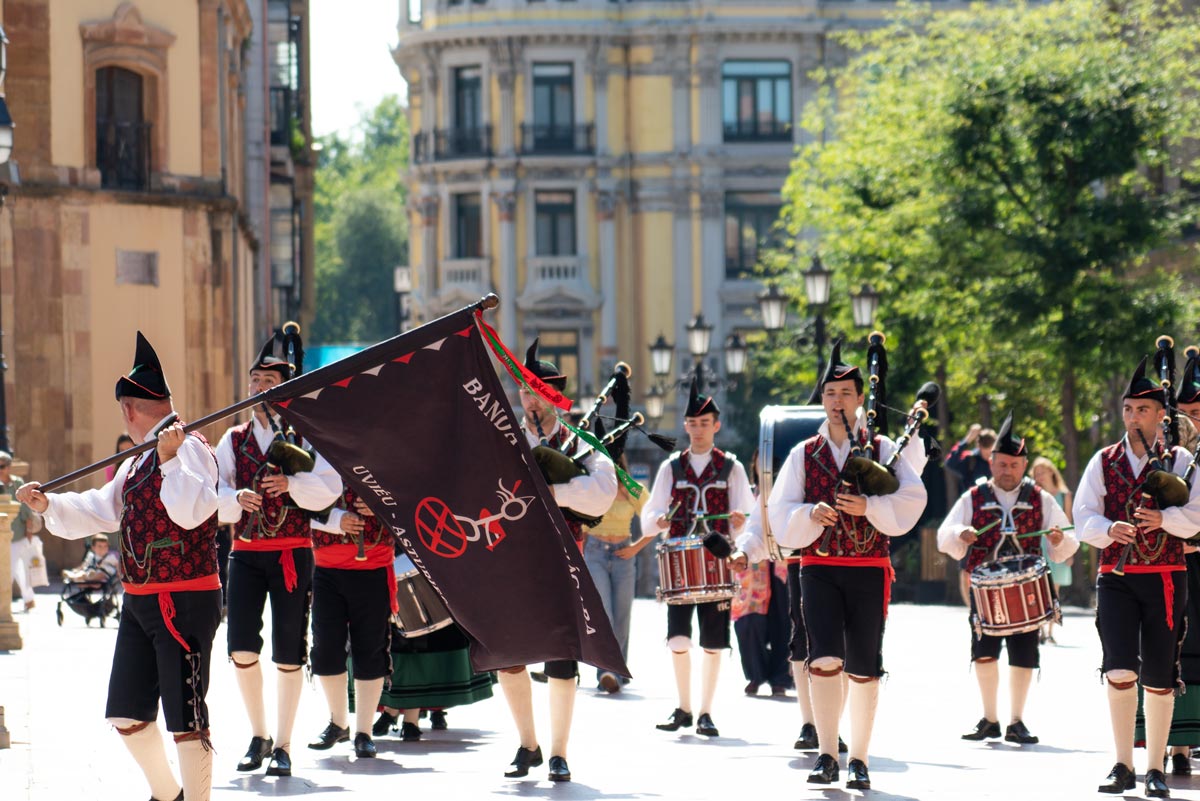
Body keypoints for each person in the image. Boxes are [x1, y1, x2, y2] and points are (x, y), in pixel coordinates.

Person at [17, 331, 222, 801]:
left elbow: (192, 510)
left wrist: (170, 459)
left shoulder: (189, 449)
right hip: (139, 602)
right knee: (127, 715)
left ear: (129, 410)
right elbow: (98, 509)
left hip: (183, 600)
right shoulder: (134, 464)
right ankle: (169, 795)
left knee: (187, 723)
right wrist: (48, 505)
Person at [766, 340, 927, 790]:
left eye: (846, 394)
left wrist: (869, 508)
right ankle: (826, 754)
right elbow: (780, 511)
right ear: (822, 400)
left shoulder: (882, 445)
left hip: (869, 566)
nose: (837, 402)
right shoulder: (803, 453)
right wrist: (808, 515)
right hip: (817, 566)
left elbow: (913, 498)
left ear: (860, 399)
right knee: (823, 657)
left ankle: (859, 757)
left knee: (864, 662)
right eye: (830, 394)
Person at [215, 336, 342, 777]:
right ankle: (258, 734)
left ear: (284, 389)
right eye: (253, 382)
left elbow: (330, 488)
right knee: (241, 647)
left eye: (267, 382)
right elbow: (216, 495)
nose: (257, 390)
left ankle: (284, 744)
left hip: (292, 553)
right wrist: (236, 497)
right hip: (246, 554)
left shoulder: (305, 436)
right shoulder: (232, 439)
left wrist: (292, 486)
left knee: (290, 648)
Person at [1075, 356, 1200, 798]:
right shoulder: (1104, 460)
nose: (1132, 418)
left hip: (1166, 576)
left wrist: (1163, 518)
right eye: (1128, 409)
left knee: (1161, 675)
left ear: (1162, 415)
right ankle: (1122, 764)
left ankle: (1155, 769)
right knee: (1119, 669)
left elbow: (1196, 515)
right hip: (1117, 575)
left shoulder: (1182, 458)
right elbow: (1082, 515)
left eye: (1142, 410)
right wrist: (1109, 529)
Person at [498, 340, 617, 783]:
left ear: (554, 396)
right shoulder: (503, 438)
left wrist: (555, 493)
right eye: (525, 392)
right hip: (512, 559)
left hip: (565, 559)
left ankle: (559, 753)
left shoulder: (579, 441)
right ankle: (527, 744)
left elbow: (603, 490)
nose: (530, 400)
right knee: (510, 655)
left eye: (538, 392)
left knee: (562, 658)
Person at [937, 412, 1076, 745]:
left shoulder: (1040, 497)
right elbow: (946, 535)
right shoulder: (973, 496)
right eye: (1001, 464)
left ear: (1023, 464)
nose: (1007, 471)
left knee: (1024, 654)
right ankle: (989, 718)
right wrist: (961, 533)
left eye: (1013, 465)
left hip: (1029, 590)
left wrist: (1059, 540)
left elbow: (1070, 538)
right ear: (992, 463)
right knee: (984, 652)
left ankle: (1016, 720)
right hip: (984, 590)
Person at [637, 377, 754, 739]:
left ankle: (705, 711)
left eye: (706, 423)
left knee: (715, 642)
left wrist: (739, 521)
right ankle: (683, 706)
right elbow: (649, 514)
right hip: (679, 566)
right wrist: (657, 521)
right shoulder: (671, 467)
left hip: (717, 562)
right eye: (693, 423)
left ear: (716, 426)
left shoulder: (731, 467)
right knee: (678, 639)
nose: (699, 429)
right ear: (685, 425)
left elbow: (748, 517)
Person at [308, 487, 397, 760]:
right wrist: (335, 518)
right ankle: (338, 723)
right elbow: (300, 501)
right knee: (325, 647)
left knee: (370, 648)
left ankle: (364, 732)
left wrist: (382, 504)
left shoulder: (391, 450)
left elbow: (410, 493)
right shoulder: (315, 449)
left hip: (374, 565)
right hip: (326, 566)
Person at [586, 452, 646, 693]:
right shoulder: (590, 482)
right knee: (605, 616)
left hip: (624, 554)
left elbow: (655, 517)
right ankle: (607, 670)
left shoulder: (631, 487)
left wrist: (636, 547)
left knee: (622, 617)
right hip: (595, 552)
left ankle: (617, 669)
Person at [1031, 456, 1074, 643]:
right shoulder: (1033, 494)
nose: (1039, 476)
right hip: (1038, 544)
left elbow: (1069, 524)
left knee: (1053, 590)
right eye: (1036, 473)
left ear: (1051, 471)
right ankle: (1039, 629)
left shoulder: (1064, 495)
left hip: (1057, 543)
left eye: (1042, 471)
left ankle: (1049, 631)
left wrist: (1069, 550)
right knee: (1038, 588)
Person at [4, 450, 45, 611]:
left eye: (3, 466)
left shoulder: (17, 483)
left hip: (18, 534)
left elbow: (26, 509)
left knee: (12, 569)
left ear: (9, 467)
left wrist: (29, 533)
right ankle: (29, 599)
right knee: (18, 569)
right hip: (3, 534)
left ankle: (5, 605)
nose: (1, 469)